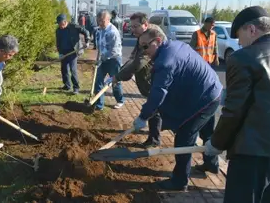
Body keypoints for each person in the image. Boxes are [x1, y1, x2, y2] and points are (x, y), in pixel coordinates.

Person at [204, 6, 270, 203]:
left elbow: (233, 111)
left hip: (254, 152)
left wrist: (216, 144)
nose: (239, 42)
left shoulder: (243, 58)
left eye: (239, 35)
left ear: (251, 30)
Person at [134, 26, 223, 191]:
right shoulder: (174, 45)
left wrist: (143, 117)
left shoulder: (165, 61)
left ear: (158, 41)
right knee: (206, 132)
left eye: (146, 46)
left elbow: (158, 93)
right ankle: (212, 165)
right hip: (213, 90)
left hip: (204, 98)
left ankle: (179, 181)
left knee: (184, 138)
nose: (143, 50)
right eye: (141, 46)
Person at [113, 12, 162, 147]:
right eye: (131, 26)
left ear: (145, 25)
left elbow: (139, 63)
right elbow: (132, 59)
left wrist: (119, 77)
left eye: (135, 26)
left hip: (155, 80)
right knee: (154, 109)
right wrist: (120, 72)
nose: (132, 29)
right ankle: (154, 136)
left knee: (155, 109)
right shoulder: (141, 37)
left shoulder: (151, 39)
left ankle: (154, 139)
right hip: (148, 80)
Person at [94, 10, 124, 110]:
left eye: (102, 21)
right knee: (98, 81)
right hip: (103, 60)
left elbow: (114, 51)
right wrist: (98, 57)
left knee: (115, 82)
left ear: (108, 19)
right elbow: (100, 45)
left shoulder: (113, 32)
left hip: (114, 60)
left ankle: (120, 100)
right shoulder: (100, 30)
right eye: (98, 21)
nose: (100, 23)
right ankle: (99, 104)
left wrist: (103, 57)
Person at [56, 14, 89, 94]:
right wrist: (60, 53)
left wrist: (87, 41)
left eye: (61, 24)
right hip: (64, 52)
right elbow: (58, 42)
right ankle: (67, 85)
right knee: (64, 69)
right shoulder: (58, 30)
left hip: (73, 51)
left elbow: (86, 31)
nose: (60, 26)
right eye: (59, 24)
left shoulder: (74, 27)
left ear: (65, 22)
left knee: (72, 69)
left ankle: (76, 87)